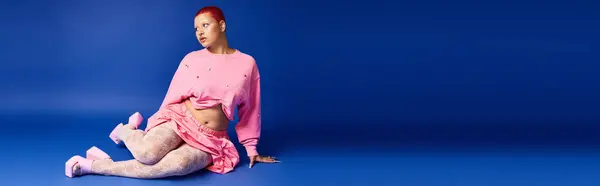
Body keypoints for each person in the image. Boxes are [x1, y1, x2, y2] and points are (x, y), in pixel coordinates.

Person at [64, 6, 279, 179]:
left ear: (221, 25)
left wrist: (251, 149)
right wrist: (152, 130)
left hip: (211, 138)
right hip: (181, 120)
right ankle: (128, 131)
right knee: (147, 154)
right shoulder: (192, 59)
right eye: (196, 29)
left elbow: (251, 107)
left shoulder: (246, 63)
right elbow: (172, 96)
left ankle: (95, 165)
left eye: (205, 25)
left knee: (176, 165)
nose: (200, 32)